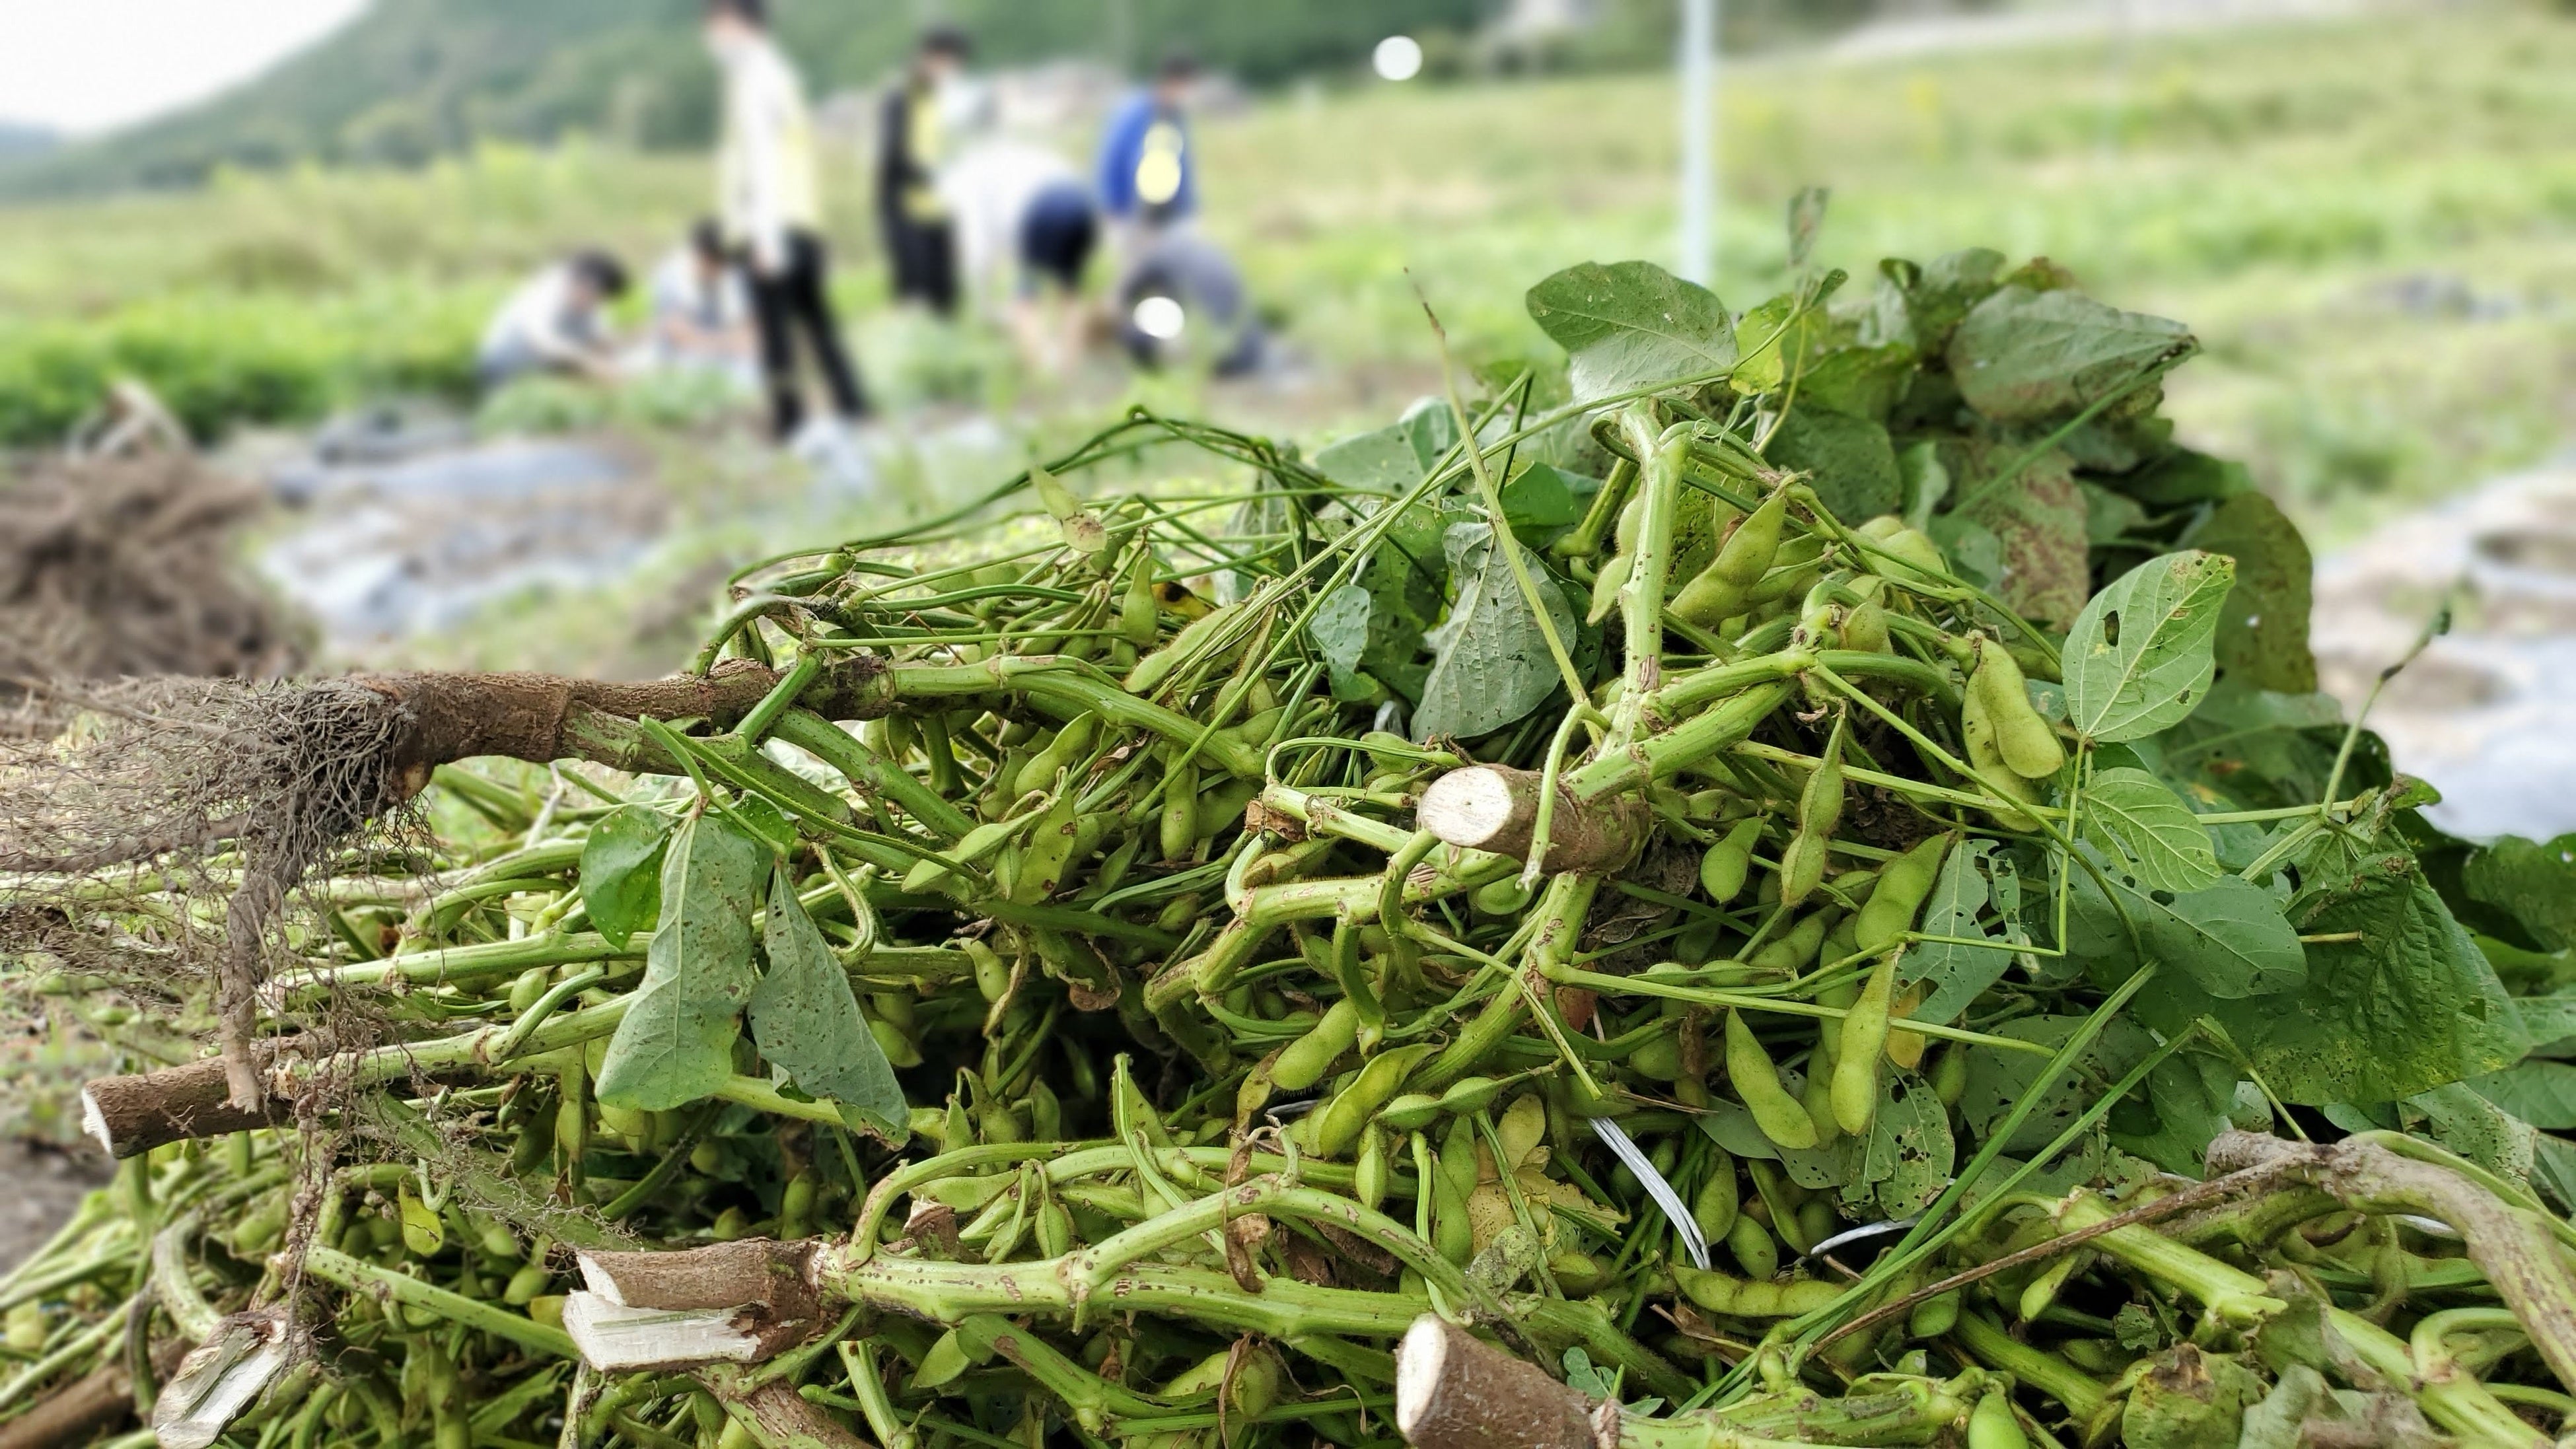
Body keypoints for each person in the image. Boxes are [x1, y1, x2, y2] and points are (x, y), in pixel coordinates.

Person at [705, 0, 868, 443]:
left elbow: (761, 160)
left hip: (770, 226)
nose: (713, 36)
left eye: (716, 23)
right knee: (818, 323)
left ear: (738, 22)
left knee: (776, 335)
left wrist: (765, 239)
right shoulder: (781, 74)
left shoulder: (753, 78)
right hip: (798, 221)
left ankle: (790, 425)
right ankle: (854, 406)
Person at [938, 139, 1098, 375]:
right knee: (1070, 293)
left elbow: (979, 249)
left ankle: (1041, 372)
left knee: (1026, 302)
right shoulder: (999, 158)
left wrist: (983, 304)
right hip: (1079, 202)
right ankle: (1070, 369)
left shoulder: (960, 187)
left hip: (1041, 206)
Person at [876, 26, 972, 318]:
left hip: (940, 211)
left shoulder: (942, 99)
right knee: (916, 296)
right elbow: (893, 155)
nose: (952, 71)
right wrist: (933, 177)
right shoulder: (900, 96)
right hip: (905, 211)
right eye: (949, 63)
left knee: (947, 296)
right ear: (930, 58)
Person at [1116, 229, 1265, 379]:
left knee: (1132, 331)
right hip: (1249, 348)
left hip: (1212, 352)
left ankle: (1157, 369)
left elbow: (1117, 303)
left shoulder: (1157, 257)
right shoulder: (1197, 249)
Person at [1095, 50, 1200, 258]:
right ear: (1173, 81)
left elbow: (1183, 166)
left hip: (1168, 217)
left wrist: (1190, 209)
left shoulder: (1176, 118)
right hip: (1129, 216)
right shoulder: (1133, 114)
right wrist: (1113, 211)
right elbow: (1113, 161)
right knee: (1139, 275)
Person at [476, 250, 629, 390]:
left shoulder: (591, 301)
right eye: (596, 297)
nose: (596, 303)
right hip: (506, 370)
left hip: (545, 372)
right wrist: (590, 362)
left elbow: (599, 337)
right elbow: (545, 342)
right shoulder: (546, 293)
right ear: (585, 285)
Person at [646, 219, 755, 384]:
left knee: (752, 367)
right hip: (682, 356)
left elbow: (751, 331)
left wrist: (737, 342)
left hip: (725, 353)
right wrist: (729, 342)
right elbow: (681, 335)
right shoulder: (672, 275)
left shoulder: (735, 275)